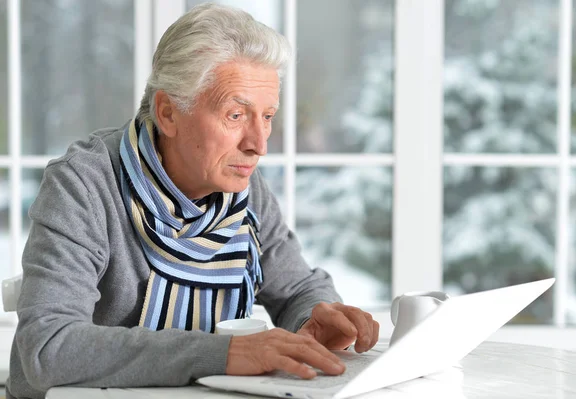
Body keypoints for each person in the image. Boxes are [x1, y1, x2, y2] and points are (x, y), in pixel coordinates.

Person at [6, 3, 379, 399]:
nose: (259, 145)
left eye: (267, 116)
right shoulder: (83, 184)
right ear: (168, 113)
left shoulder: (242, 188)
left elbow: (299, 288)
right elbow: (48, 348)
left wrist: (314, 319)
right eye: (236, 115)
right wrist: (223, 353)